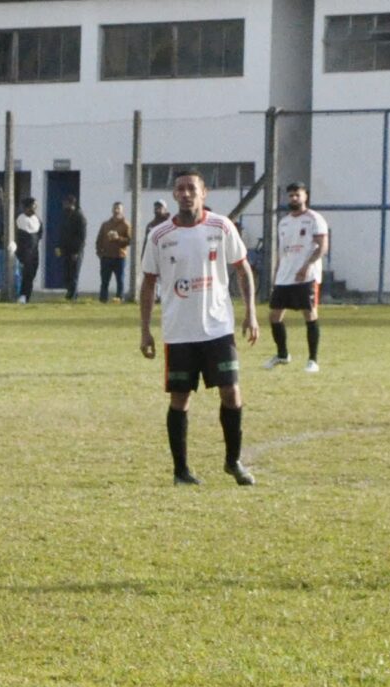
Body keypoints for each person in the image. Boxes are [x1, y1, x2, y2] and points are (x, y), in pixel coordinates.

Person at [138, 171, 257, 488]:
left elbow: (242, 269)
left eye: (192, 188)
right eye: (181, 189)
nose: (187, 193)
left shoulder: (221, 226)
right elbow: (148, 283)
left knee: (231, 391)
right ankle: (181, 472)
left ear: (204, 193)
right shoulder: (159, 235)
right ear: (174, 195)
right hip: (179, 332)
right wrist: (145, 330)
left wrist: (251, 314)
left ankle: (233, 461)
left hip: (218, 328)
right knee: (180, 399)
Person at [262, 183, 329, 371]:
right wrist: (277, 273)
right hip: (285, 276)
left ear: (305, 196)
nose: (293, 199)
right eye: (290, 195)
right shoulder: (284, 222)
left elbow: (322, 247)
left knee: (309, 314)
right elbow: (283, 251)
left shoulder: (314, 219)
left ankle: (312, 360)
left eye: (297, 195)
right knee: (274, 316)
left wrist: (306, 266)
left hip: (306, 276)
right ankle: (282, 354)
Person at [95, 201, 131, 303]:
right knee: (104, 281)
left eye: (118, 208)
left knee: (120, 280)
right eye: (115, 208)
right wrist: (99, 252)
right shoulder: (106, 224)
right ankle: (103, 299)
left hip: (119, 257)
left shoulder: (126, 224)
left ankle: (119, 298)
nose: (116, 210)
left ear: (122, 210)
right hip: (106, 256)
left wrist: (118, 238)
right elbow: (99, 239)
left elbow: (129, 241)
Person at [54, 198, 88, 301]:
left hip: (75, 251)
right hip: (66, 250)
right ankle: (69, 292)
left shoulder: (79, 217)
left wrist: (77, 251)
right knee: (67, 273)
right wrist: (59, 246)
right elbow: (62, 233)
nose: (64, 206)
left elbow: (82, 237)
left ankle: (73, 295)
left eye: (66, 204)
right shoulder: (65, 216)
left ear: (71, 204)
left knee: (74, 274)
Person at [13, 198, 41, 302]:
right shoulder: (20, 219)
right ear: (27, 207)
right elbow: (23, 236)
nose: (35, 208)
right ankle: (22, 295)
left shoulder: (37, 219)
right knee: (25, 274)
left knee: (32, 274)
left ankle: (26, 296)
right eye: (34, 206)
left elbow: (39, 234)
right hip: (24, 252)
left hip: (34, 252)